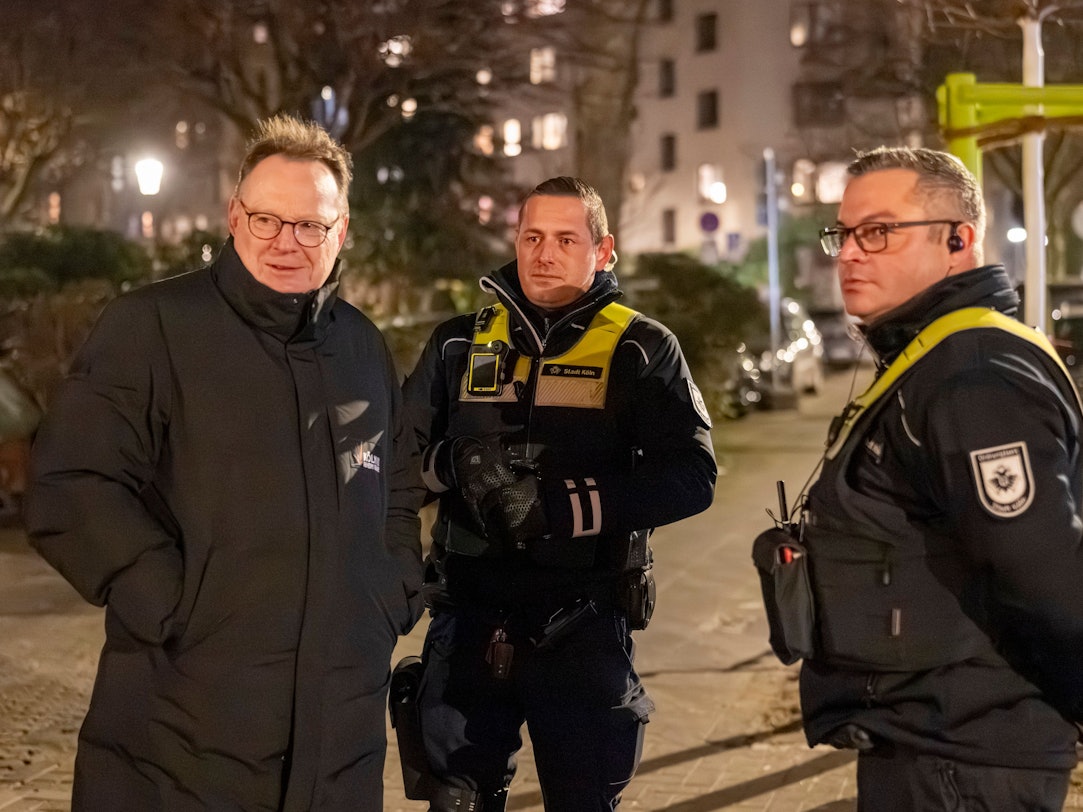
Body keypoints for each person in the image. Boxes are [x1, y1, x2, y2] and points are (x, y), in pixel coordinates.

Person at [24, 114, 425, 811]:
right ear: (233, 215)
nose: (286, 243)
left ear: (342, 232)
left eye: (310, 226)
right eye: (267, 219)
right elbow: (72, 483)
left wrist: (390, 591)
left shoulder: (360, 347)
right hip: (184, 716)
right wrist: (172, 601)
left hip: (339, 720)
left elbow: (393, 483)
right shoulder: (152, 325)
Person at [756, 146, 1083, 810]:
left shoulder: (972, 376)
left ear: (957, 240)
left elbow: (1045, 576)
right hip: (934, 743)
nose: (848, 253)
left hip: (965, 756)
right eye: (842, 233)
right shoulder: (932, 359)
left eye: (876, 231)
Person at [398, 176, 716, 810]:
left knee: (582, 798)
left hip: (583, 618)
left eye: (566, 239)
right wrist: (457, 464)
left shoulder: (641, 348)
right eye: (532, 237)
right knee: (454, 800)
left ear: (604, 251)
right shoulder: (458, 343)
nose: (544, 253)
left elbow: (693, 476)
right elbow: (395, 466)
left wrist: (560, 507)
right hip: (467, 614)